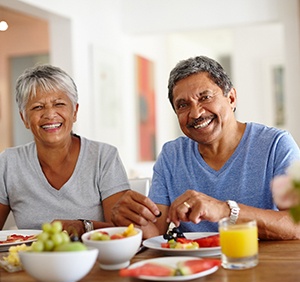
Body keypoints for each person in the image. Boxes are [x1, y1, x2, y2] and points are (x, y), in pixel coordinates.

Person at [111, 56, 300, 240]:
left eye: (205, 97)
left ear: (232, 98)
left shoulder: (276, 145)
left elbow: (296, 224)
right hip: (192, 267)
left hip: (258, 263)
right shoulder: (172, 155)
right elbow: (154, 233)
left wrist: (225, 211)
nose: (195, 113)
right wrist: (131, 221)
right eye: (183, 105)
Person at [0, 64, 133, 237]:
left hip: (94, 260)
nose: (50, 114)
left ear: (74, 111)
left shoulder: (104, 157)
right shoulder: (8, 162)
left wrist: (82, 226)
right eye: (38, 107)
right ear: (24, 118)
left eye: (59, 104)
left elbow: (122, 232)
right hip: (30, 261)